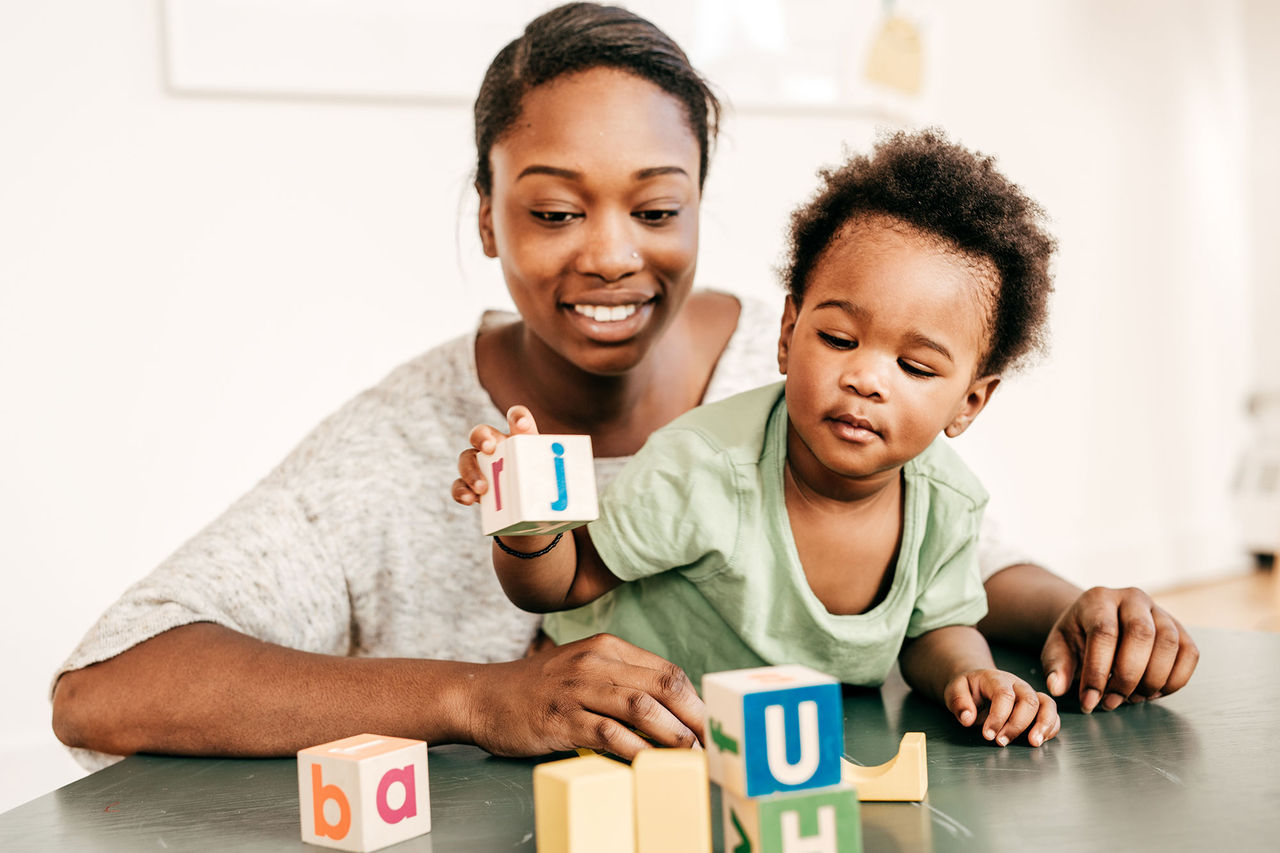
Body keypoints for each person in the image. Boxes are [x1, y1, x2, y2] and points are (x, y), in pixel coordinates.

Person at [52, 2, 1195, 768]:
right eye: (552, 210)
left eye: (656, 209)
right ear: (487, 215)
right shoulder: (399, 442)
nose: (608, 254)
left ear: (700, 202)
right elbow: (103, 687)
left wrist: (1085, 608)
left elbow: (961, 568)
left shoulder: (803, 370)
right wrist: (473, 698)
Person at [455, 129, 1062, 747]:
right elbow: (564, 582)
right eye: (838, 339)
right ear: (787, 333)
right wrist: (526, 521)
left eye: (916, 367)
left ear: (970, 402)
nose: (865, 379)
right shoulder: (700, 467)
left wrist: (972, 673)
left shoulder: (948, 503)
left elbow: (936, 629)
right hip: (631, 730)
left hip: (782, 752)